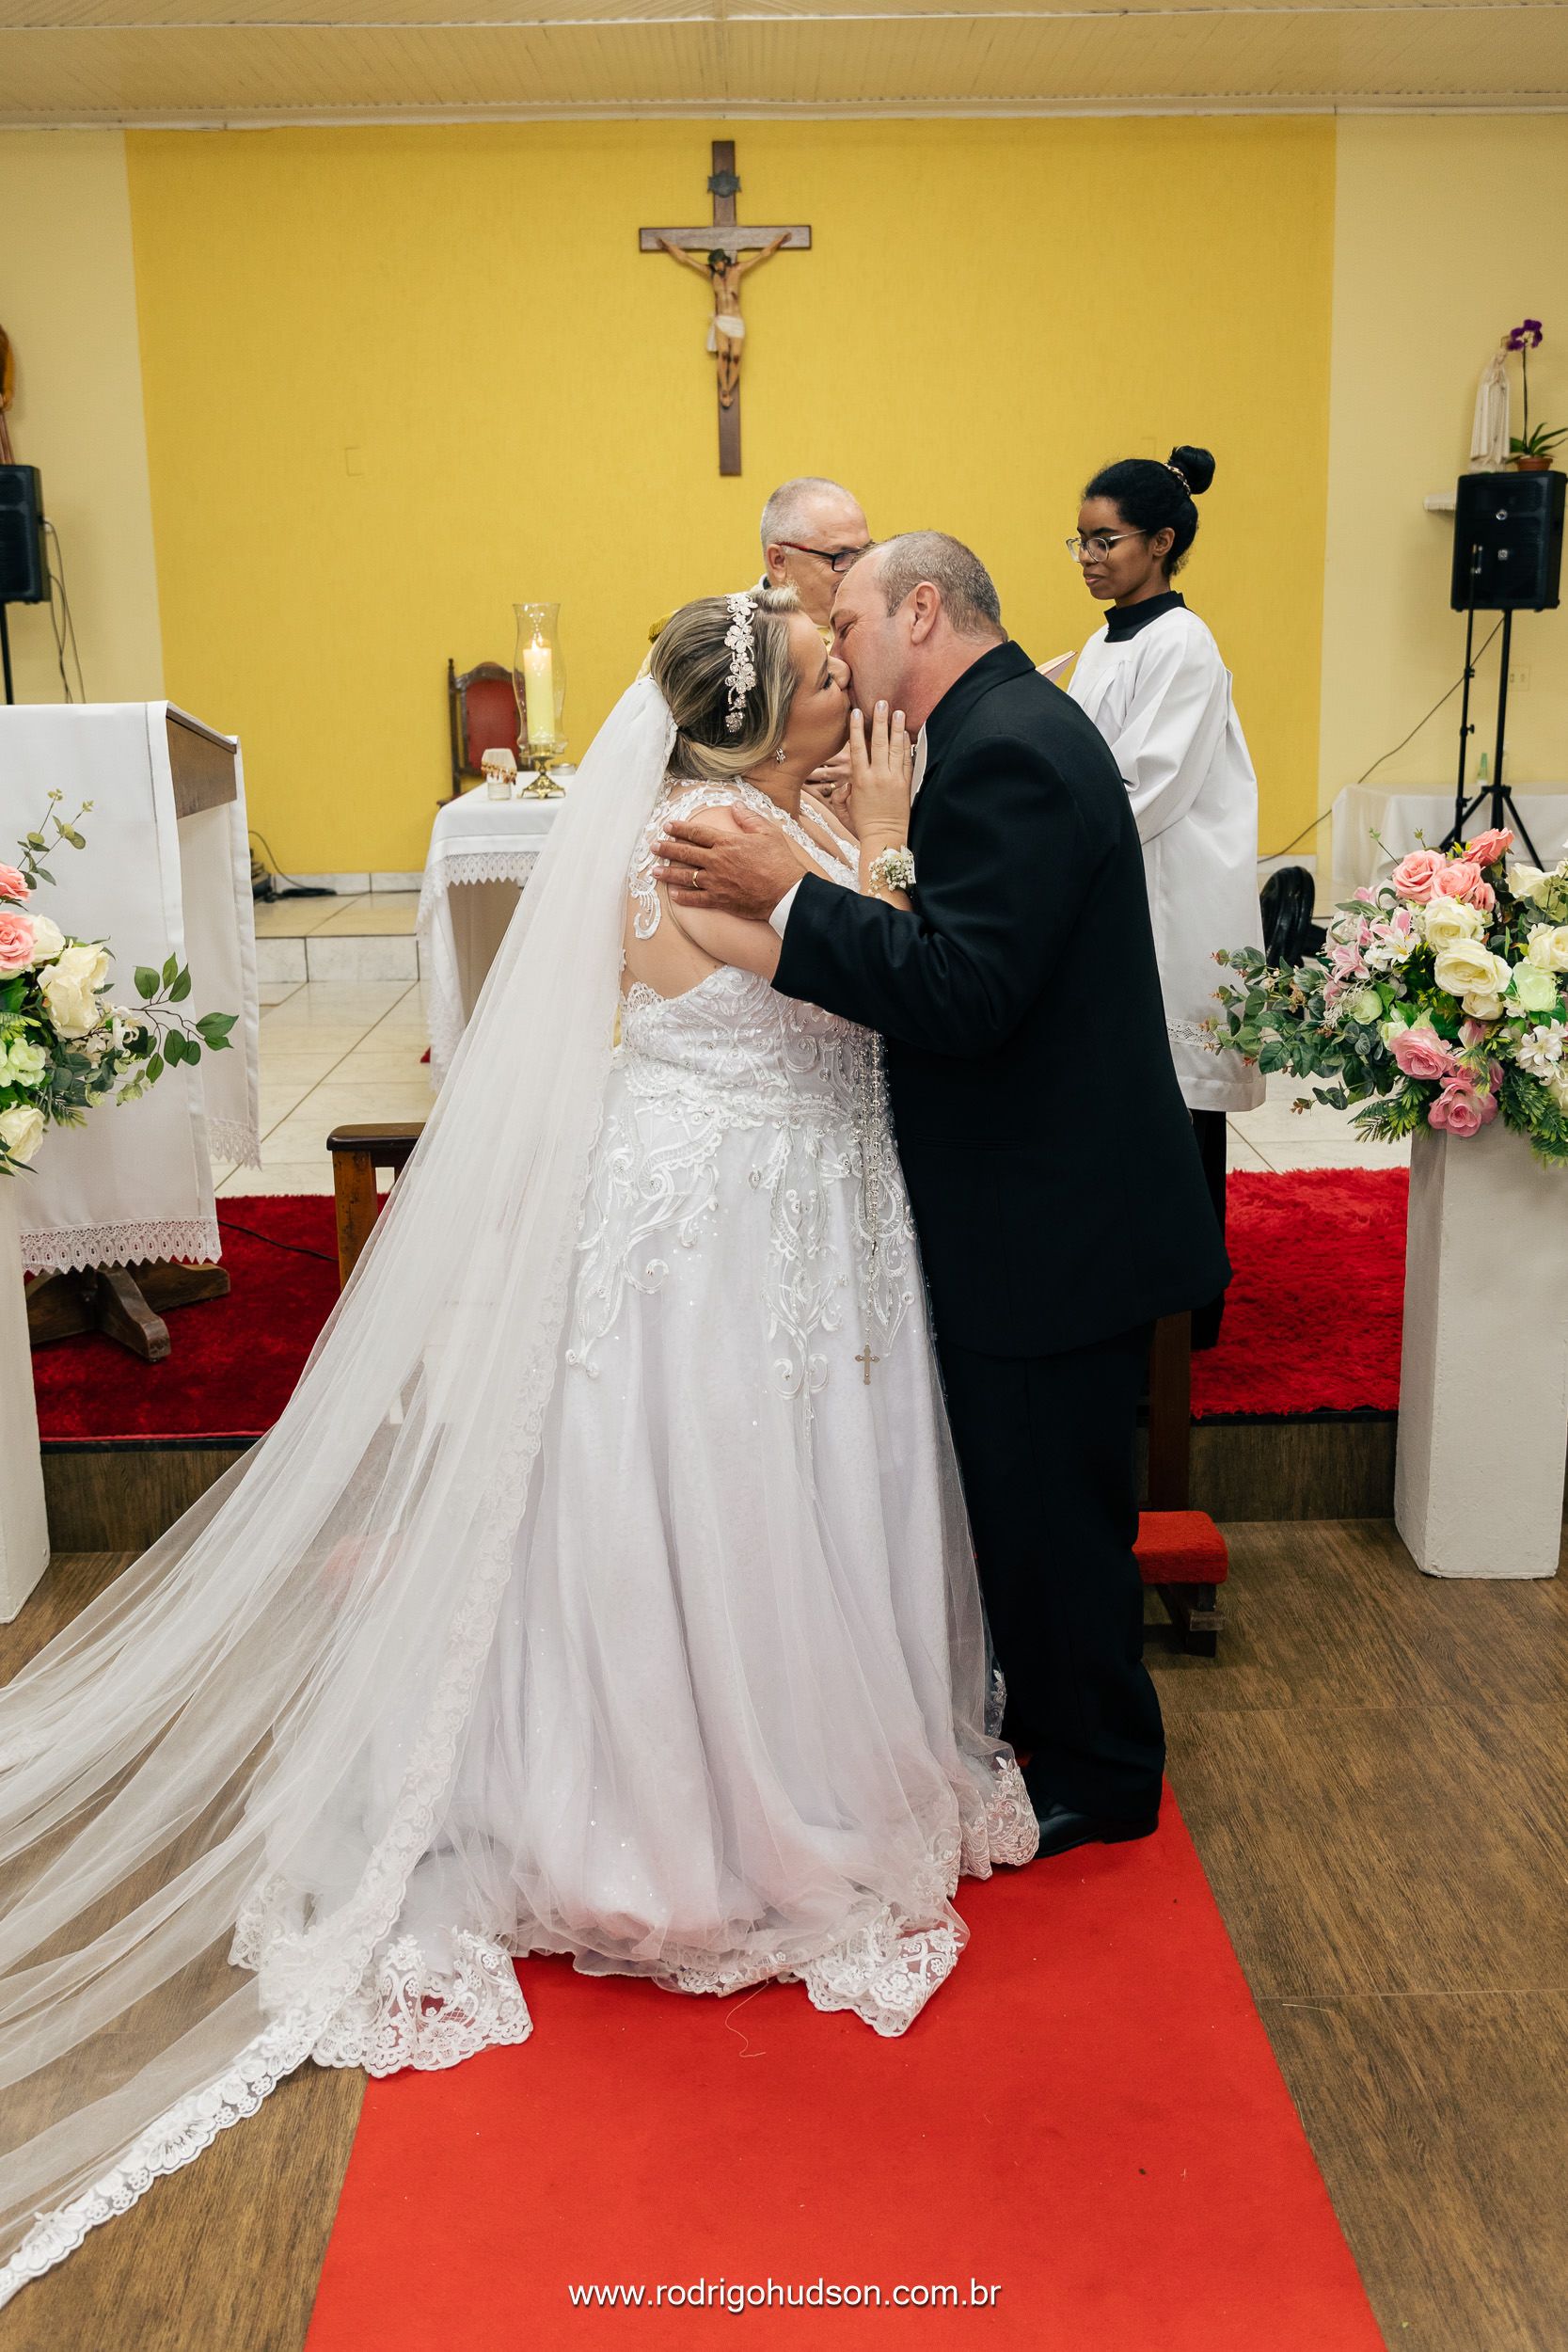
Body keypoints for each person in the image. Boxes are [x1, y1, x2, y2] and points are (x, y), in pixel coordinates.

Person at [0, 586, 1037, 2311]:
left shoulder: (765, 815)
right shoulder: (713, 838)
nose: (841, 680)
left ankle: (782, 1757)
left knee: (780, 1500)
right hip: (714, 1229)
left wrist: (857, 836)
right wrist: (880, 847)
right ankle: (691, 1829)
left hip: (789, 1206)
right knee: (712, 1498)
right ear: (745, 716)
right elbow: (869, 996)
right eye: (813, 672)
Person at [654, 532, 1228, 1862]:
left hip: (1049, 1215)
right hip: (1034, 1196)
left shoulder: (1008, 748)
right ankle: (1065, 1736)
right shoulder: (991, 727)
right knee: (1032, 1505)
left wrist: (798, 892)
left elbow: (963, 993)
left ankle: (1099, 1774)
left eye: (847, 619)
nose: (837, 645)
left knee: (1051, 1516)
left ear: (920, 610)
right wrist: (871, 852)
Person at [1064, 446, 1265, 1346]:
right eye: (1077, 542)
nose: (1089, 558)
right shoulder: (1110, 640)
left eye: (1105, 540)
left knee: (1181, 1104)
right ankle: (1138, 1287)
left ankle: (1191, 1310)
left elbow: (1147, 783)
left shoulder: (1182, 642)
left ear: (1162, 540)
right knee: (1132, 1098)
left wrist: (1049, 842)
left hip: (1172, 896)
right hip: (1119, 885)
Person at [759, 476, 872, 628]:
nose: (858, 571)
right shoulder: (739, 641)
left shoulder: (881, 625)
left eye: (864, 553)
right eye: (840, 556)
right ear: (779, 561)